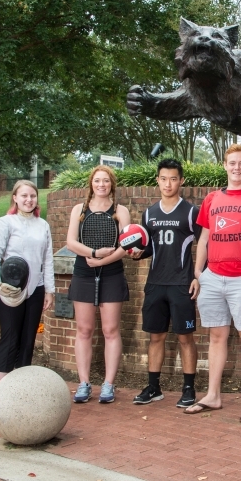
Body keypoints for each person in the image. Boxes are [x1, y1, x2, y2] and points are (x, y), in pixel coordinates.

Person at [183, 144, 241, 423]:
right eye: (232, 163)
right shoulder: (211, 199)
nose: (236, 167)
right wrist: (199, 273)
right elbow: (204, 239)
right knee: (217, 337)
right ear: (224, 165)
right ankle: (213, 395)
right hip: (213, 278)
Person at [130, 159, 201, 408]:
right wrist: (139, 252)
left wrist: (197, 277)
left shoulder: (191, 212)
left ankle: (189, 388)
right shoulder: (149, 213)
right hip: (156, 284)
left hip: (182, 284)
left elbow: (204, 245)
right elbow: (148, 247)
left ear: (181, 181)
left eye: (173, 178)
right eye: (163, 178)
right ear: (157, 180)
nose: (168, 183)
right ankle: (154, 387)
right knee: (156, 337)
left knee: (185, 338)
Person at [66, 165, 132, 404]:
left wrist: (103, 260)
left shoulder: (120, 211)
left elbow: (126, 246)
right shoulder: (78, 210)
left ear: (111, 184)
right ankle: (83, 384)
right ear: (91, 184)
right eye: (97, 181)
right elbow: (71, 242)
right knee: (83, 330)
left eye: (105, 181)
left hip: (112, 273)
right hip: (83, 273)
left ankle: (108, 385)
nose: (101, 185)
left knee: (110, 331)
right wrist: (93, 253)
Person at [0, 180, 55, 381]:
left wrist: (49, 290)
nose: (29, 199)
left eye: (32, 196)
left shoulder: (43, 225)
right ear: (15, 198)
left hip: (36, 290)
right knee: (10, 337)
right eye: (24, 195)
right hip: (10, 291)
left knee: (28, 340)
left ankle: (21, 385)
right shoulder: (5, 223)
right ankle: (4, 387)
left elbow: (47, 260)